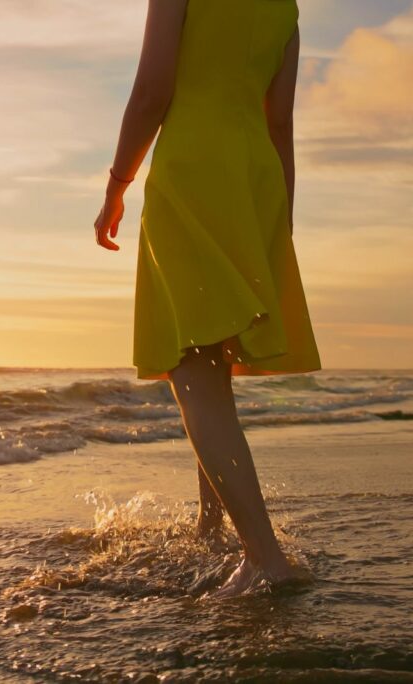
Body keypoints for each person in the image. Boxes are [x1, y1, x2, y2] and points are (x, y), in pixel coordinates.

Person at [93, 0, 321, 598]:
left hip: (193, 168)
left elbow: (152, 90)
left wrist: (117, 185)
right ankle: (212, 525)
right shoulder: (286, 8)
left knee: (193, 366)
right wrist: (279, 220)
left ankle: (264, 559)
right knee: (214, 360)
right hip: (255, 177)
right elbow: (280, 124)